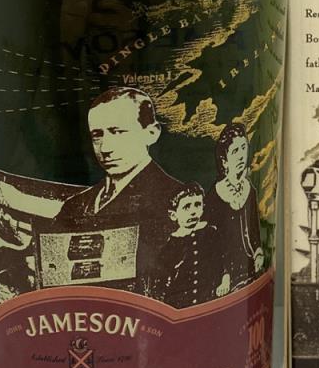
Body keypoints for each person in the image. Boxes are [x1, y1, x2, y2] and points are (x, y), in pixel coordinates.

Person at [51, 87, 183, 288]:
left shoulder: (175, 200)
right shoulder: (75, 205)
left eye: (118, 132)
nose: (105, 148)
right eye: (97, 135)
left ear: (151, 133)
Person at [150, 185, 232, 309]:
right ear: (173, 215)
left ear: (203, 208)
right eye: (186, 207)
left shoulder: (211, 233)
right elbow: (163, 277)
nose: (193, 211)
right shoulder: (171, 244)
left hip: (211, 297)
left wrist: (225, 279)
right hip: (181, 303)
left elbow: (225, 258)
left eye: (197, 205)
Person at [206, 121, 262, 287]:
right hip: (225, 277)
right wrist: (223, 274)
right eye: (235, 151)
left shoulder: (250, 190)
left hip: (250, 268)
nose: (241, 156)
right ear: (224, 161)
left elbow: (254, 230)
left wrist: (258, 252)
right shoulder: (214, 196)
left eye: (244, 148)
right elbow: (212, 244)